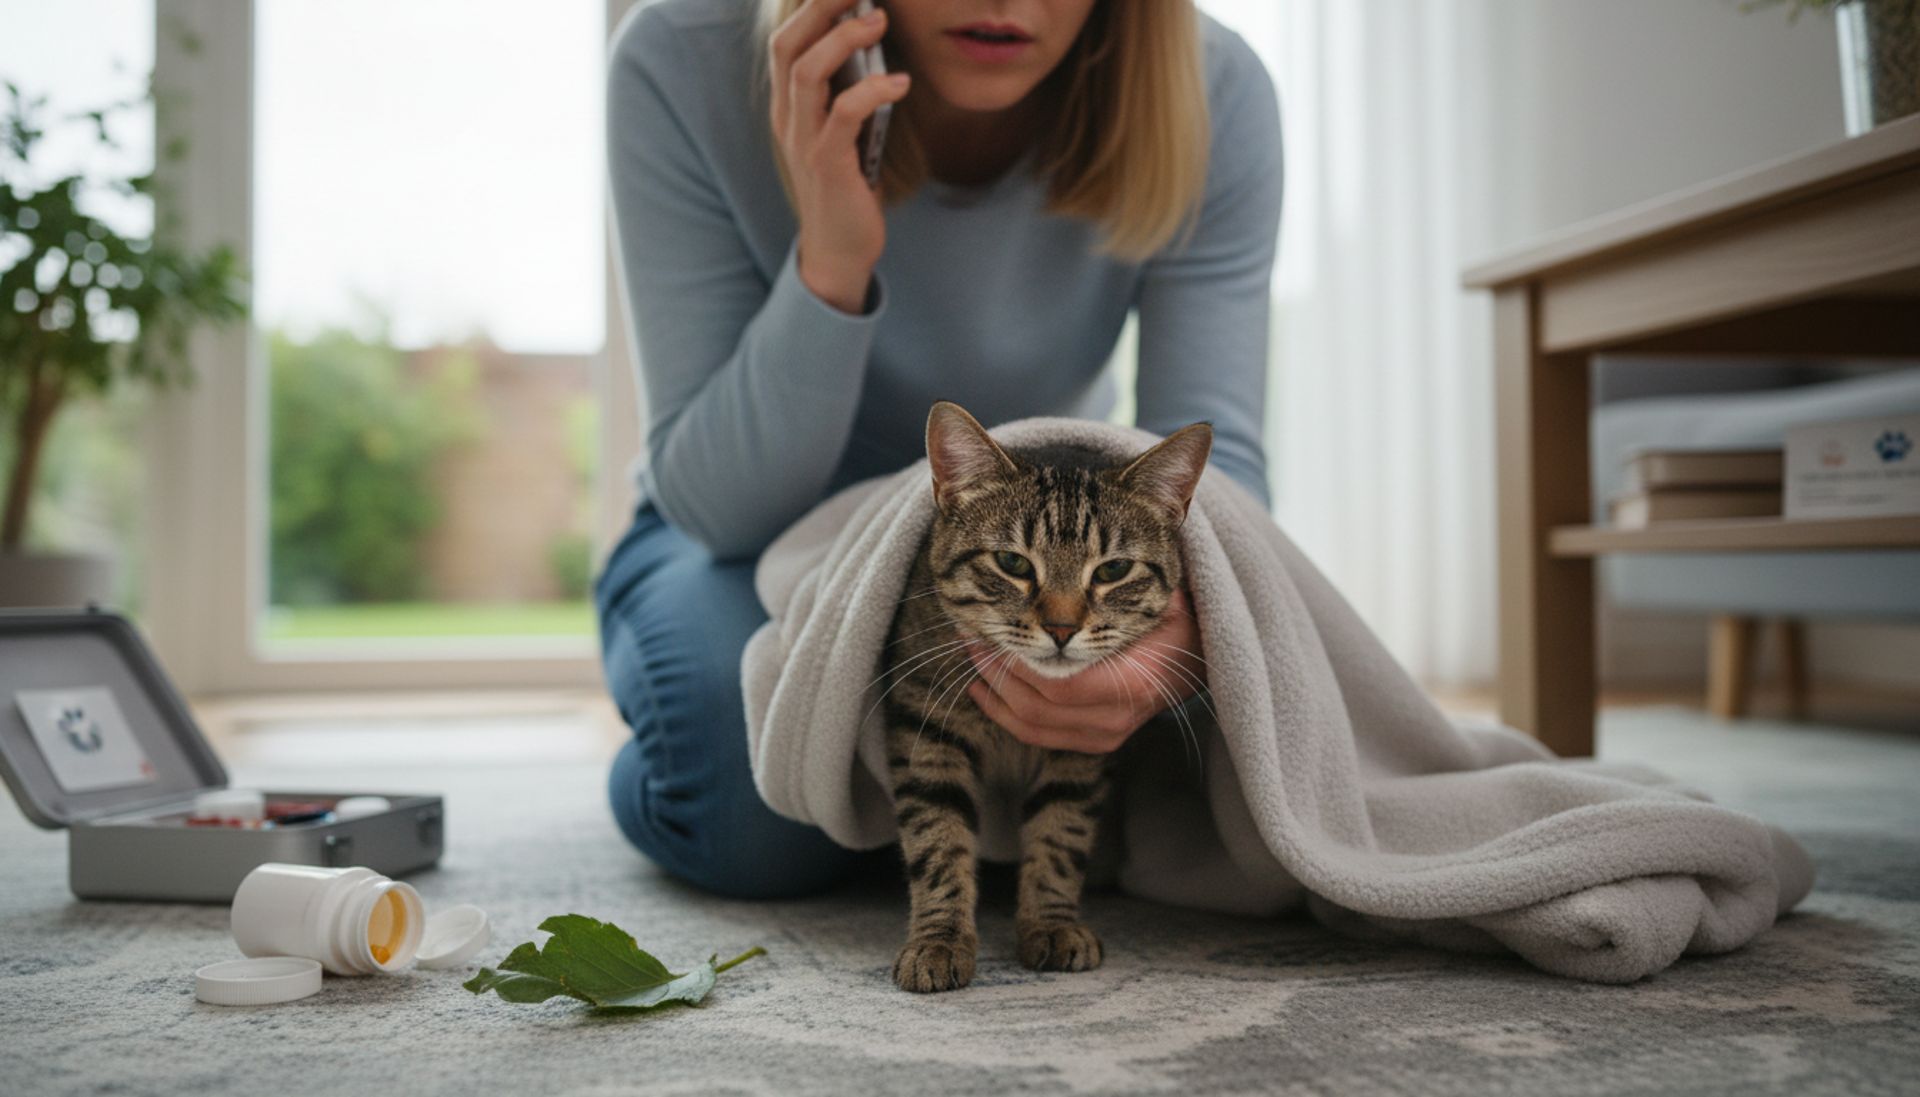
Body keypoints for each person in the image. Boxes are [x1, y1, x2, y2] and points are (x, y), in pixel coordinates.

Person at [598, 0, 1282, 899]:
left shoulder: (1215, 91)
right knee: (745, 812)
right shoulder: (680, 55)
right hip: (741, 538)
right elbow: (722, 509)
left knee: (1233, 774)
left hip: (1047, 544)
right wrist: (832, 262)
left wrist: (1159, 660)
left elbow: (1214, 479)